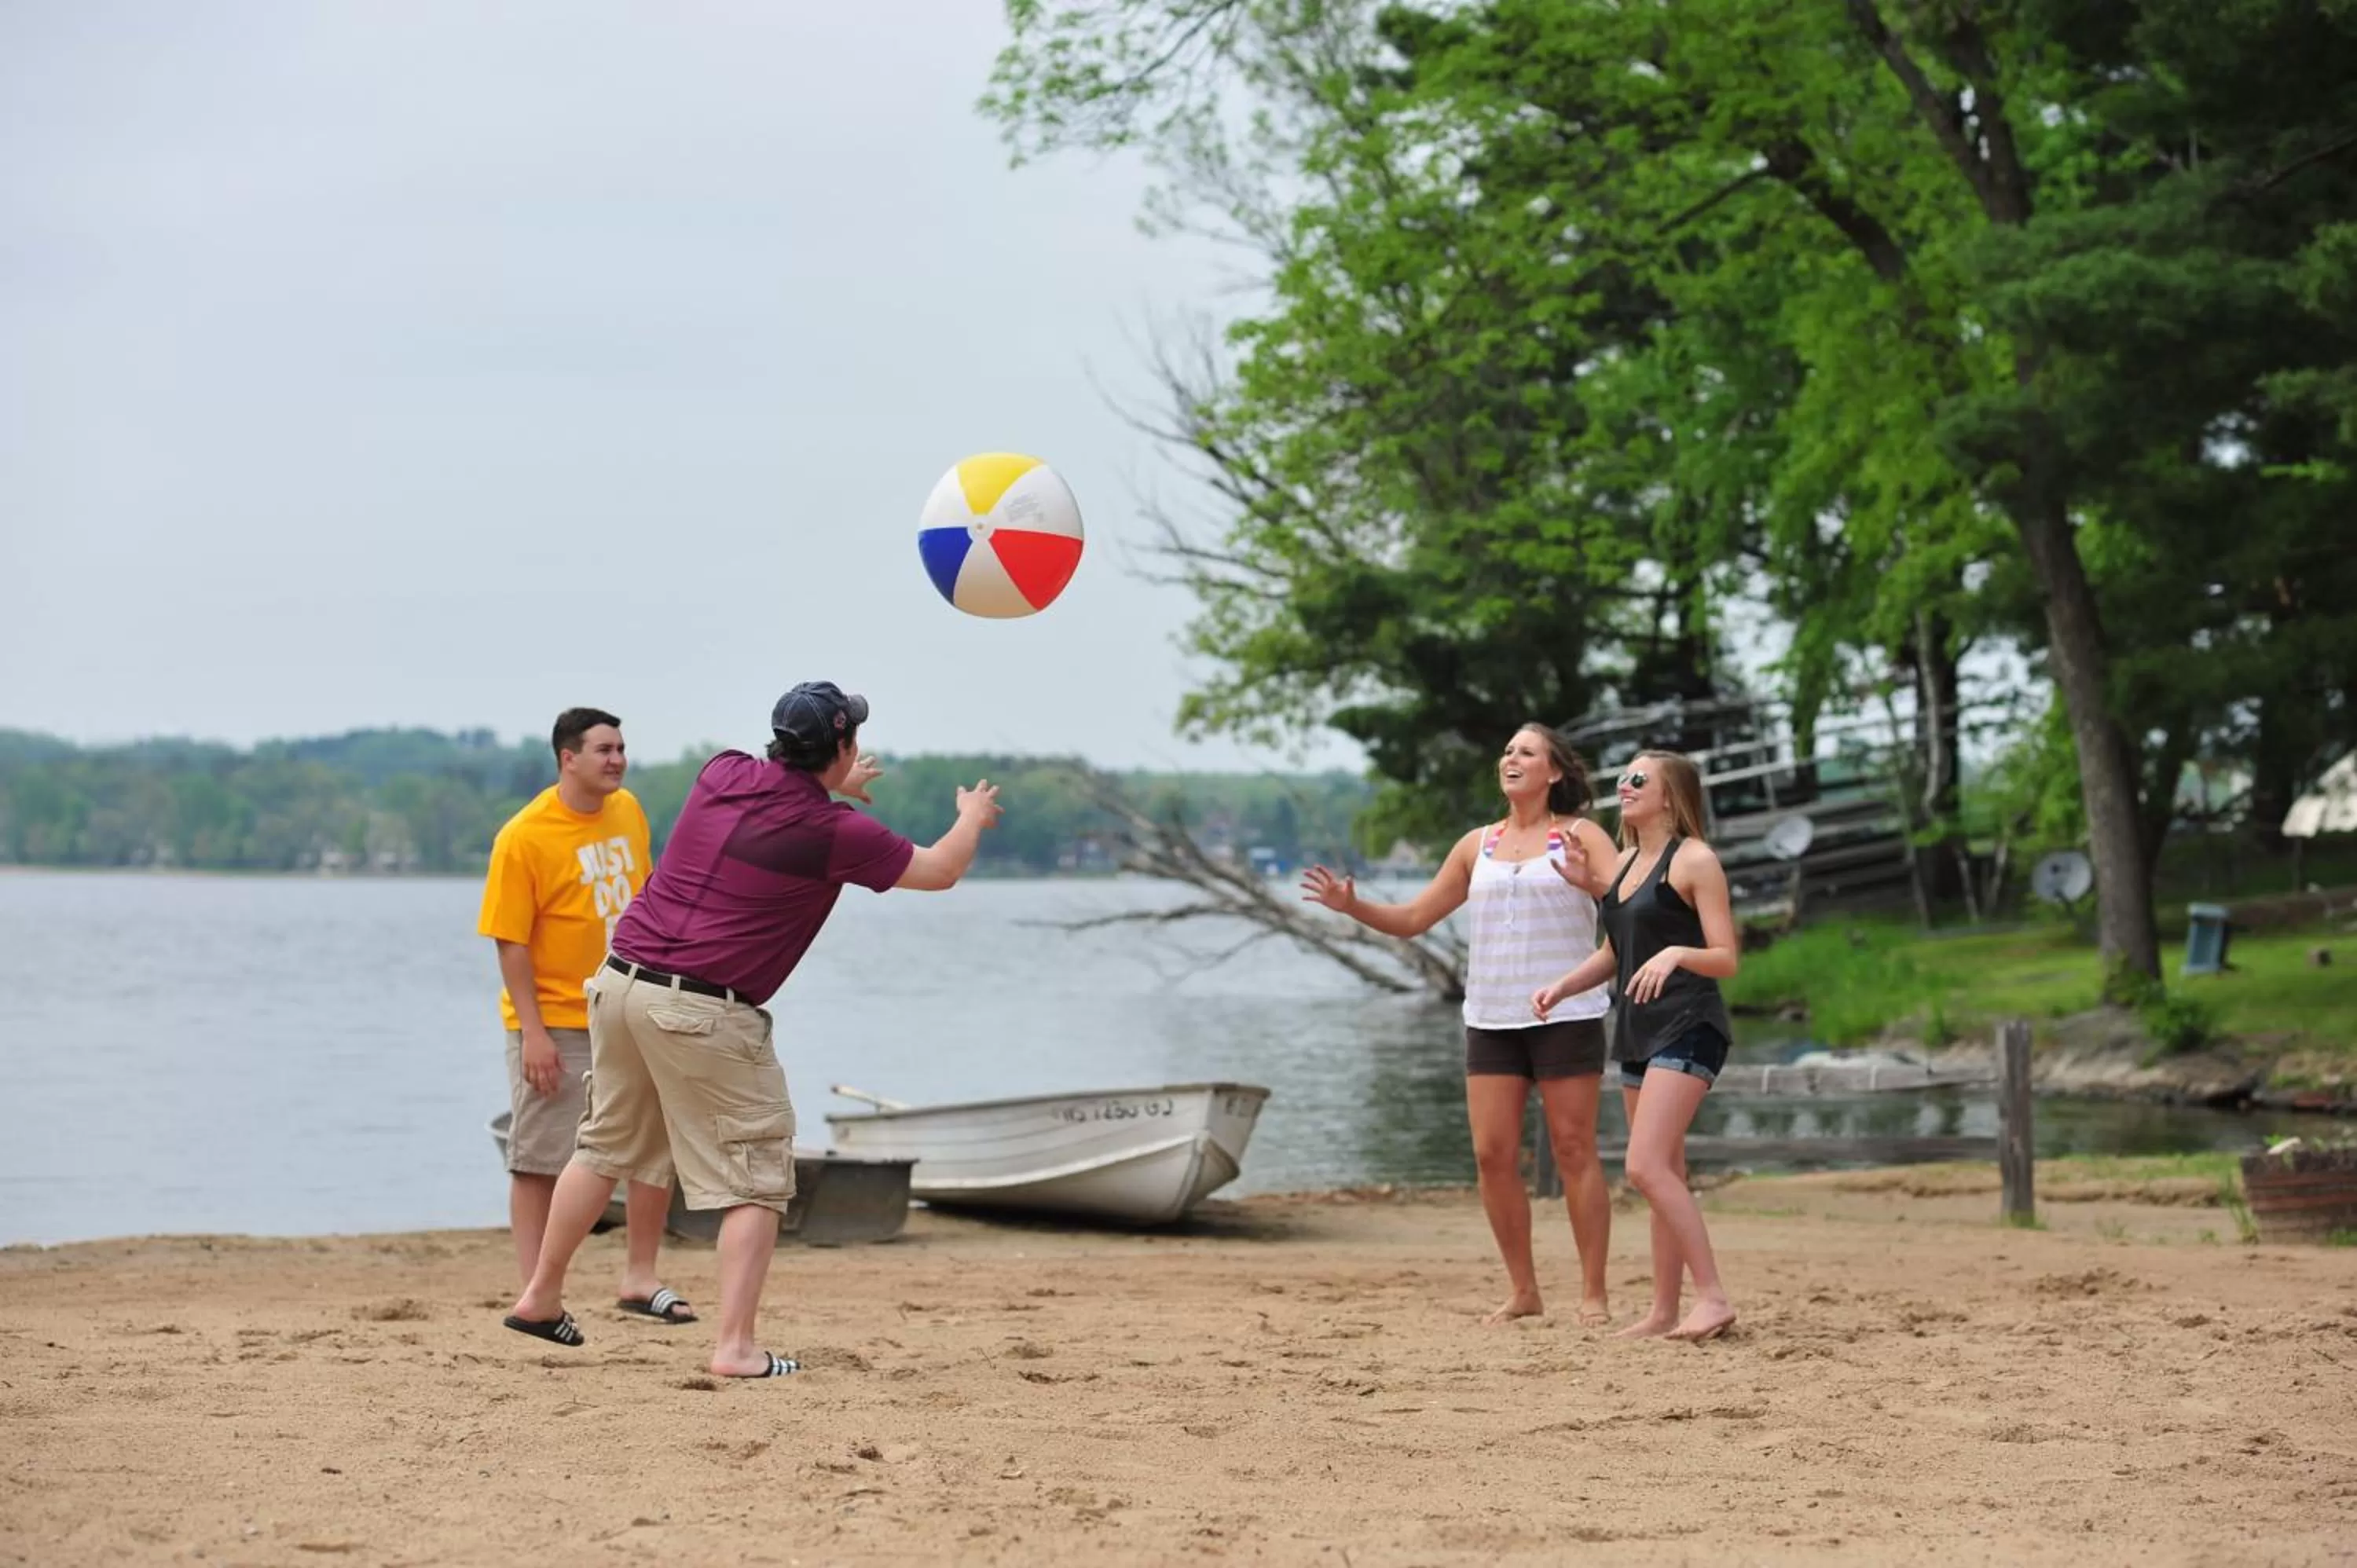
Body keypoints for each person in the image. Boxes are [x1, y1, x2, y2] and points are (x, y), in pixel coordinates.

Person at [502, 682, 1002, 1378]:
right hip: (703, 1009)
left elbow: (781, 802)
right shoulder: (833, 834)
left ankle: (539, 1295)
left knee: (604, 1146)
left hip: (620, 983)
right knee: (758, 1178)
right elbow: (940, 869)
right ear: (844, 748)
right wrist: (971, 815)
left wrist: (832, 784)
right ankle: (735, 1348)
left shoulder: (722, 772)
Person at [1302, 723, 1620, 1327]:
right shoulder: (1478, 845)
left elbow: (1628, 906)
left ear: (1554, 772)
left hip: (1565, 1012)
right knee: (1491, 1154)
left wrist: (1595, 882)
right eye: (1506, 751)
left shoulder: (1581, 835)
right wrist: (1354, 907)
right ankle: (1524, 1290)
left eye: (1526, 752)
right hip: (1491, 1017)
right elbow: (1416, 916)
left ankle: (1593, 1295)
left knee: (1574, 1149)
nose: (1511, 759)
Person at [478, 707, 687, 1321]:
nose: (618, 759)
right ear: (569, 759)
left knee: (651, 1145)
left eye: (621, 747)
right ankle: (537, 1292)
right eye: (604, 750)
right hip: (556, 1021)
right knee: (541, 1158)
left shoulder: (629, 811)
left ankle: (640, 1278)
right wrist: (534, 1034)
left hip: (627, 1004)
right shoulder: (525, 836)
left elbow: (648, 899)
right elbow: (509, 942)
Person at [1532, 749, 1740, 1343]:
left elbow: (1726, 957)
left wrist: (1677, 953)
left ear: (1670, 795)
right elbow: (1616, 952)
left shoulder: (1696, 860)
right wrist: (1562, 986)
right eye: (1621, 775)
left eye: (1639, 779)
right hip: (1638, 1031)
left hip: (1690, 1023)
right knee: (1664, 1170)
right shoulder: (1624, 863)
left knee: (1645, 1166)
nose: (1624, 784)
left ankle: (1713, 1297)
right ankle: (1664, 1311)